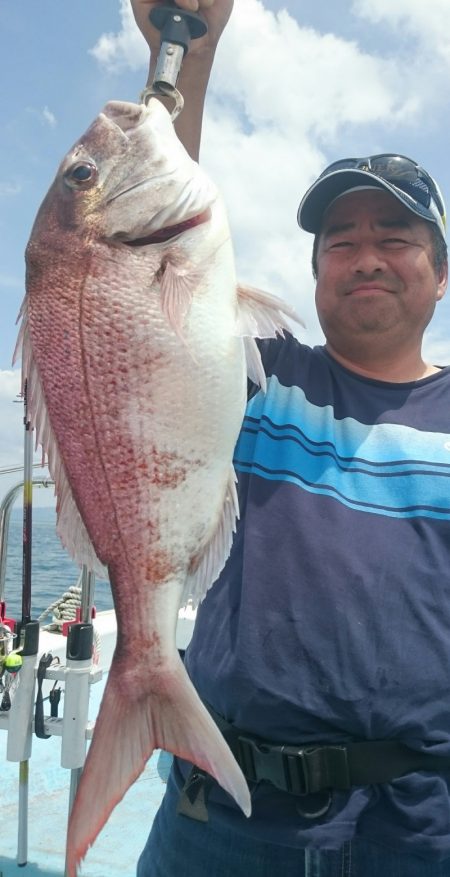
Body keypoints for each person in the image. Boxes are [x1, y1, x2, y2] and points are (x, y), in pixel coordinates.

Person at [131, 2, 450, 875]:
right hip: (219, 817)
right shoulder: (263, 381)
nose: (367, 255)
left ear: (442, 273)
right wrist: (188, 53)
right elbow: (152, 255)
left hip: (415, 831)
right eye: (340, 243)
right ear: (313, 276)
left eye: (395, 237)